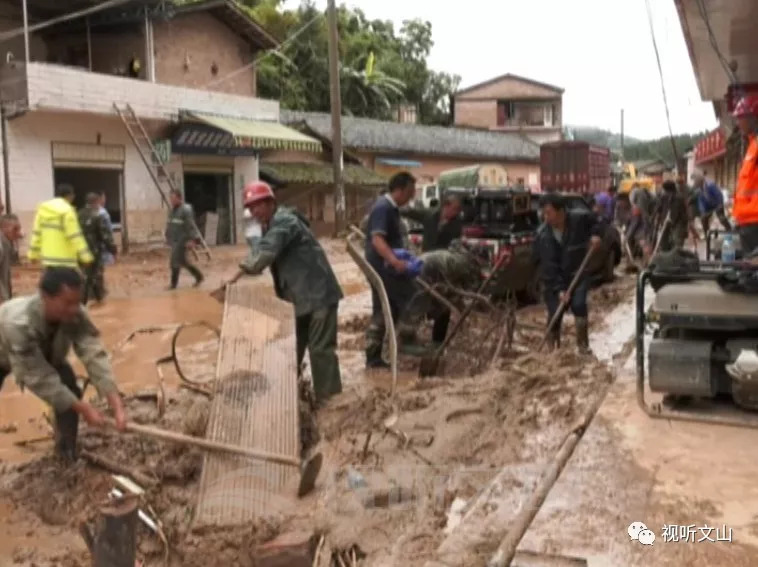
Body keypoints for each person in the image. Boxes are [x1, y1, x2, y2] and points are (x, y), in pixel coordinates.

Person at [220, 182, 343, 405]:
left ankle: (330, 401)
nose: (254, 211)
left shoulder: (285, 221)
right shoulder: (269, 227)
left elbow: (264, 253)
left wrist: (234, 277)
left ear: (270, 203)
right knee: (289, 349)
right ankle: (284, 398)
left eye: (258, 205)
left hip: (319, 294)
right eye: (251, 207)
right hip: (298, 300)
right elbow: (261, 249)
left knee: (320, 351)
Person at [0, 268, 126, 461]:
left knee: (70, 394)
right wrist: (85, 409)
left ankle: (66, 455)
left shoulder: (74, 312)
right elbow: (40, 379)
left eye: (77, 302)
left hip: (48, 354)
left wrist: (116, 403)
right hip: (6, 352)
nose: (74, 309)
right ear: (45, 297)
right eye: (67, 303)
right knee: (69, 399)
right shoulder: (17, 324)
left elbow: (93, 352)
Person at [531, 193, 603, 353]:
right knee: (555, 313)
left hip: (577, 273)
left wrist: (596, 235)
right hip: (554, 280)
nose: (545, 216)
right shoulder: (544, 235)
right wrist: (559, 290)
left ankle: (583, 347)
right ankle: (554, 351)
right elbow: (548, 267)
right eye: (543, 212)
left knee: (579, 305)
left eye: (548, 212)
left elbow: (596, 222)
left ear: (561, 211)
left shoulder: (579, 219)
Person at [364, 172, 418, 368]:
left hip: (385, 267)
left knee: (385, 310)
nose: (411, 197)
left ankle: (375, 357)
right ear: (399, 190)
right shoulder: (383, 208)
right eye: (410, 192)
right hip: (383, 269)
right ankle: (406, 344)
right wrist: (396, 262)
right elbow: (377, 240)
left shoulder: (391, 209)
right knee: (412, 297)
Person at [28, 184, 93, 269]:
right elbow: (75, 236)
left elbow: (36, 235)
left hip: (48, 262)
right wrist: (86, 258)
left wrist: (33, 255)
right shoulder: (68, 211)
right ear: (70, 195)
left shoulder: (42, 210)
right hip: (66, 263)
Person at [79, 192, 117, 305]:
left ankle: (86, 301)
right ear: (96, 202)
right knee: (96, 275)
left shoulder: (78, 215)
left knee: (84, 275)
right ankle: (97, 301)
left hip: (80, 251)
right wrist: (113, 250)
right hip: (94, 251)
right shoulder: (97, 216)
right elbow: (105, 236)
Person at [731, 95, 758, 255]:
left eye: (741, 117)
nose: (738, 122)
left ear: (753, 117)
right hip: (748, 222)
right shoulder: (753, 145)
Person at [165, 189, 204, 290]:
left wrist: (193, 240)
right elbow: (170, 224)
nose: (171, 200)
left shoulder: (186, 209)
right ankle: (199, 277)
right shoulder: (173, 210)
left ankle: (173, 284)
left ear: (179, 198)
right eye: (171, 198)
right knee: (183, 261)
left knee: (174, 261)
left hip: (183, 240)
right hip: (175, 239)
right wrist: (167, 236)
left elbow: (190, 225)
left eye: (173, 198)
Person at [654, 180, 693, 253]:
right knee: (671, 243)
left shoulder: (672, 197)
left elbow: (658, 210)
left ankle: (671, 257)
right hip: (673, 223)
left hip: (675, 223)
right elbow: (658, 210)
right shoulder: (676, 197)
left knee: (673, 242)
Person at [0, 215, 22, 302]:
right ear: (3, 228)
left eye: (19, 229)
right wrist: (3, 298)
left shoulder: (7, 243)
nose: (18, 233)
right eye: (15, 229)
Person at [98, 193, 116, 266]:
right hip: (104, 242)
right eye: (103, 198)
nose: (105, 200)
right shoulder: (103, 212)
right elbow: (109, 229)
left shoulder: (90, 211)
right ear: (100, 199)